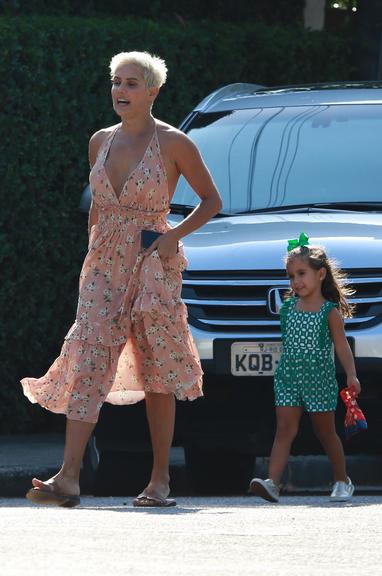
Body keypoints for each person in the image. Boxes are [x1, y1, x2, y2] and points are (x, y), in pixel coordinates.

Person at [21, 51, 222, 508]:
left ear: (153, 91)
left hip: (153, 260)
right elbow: (96, 205)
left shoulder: (174, 143)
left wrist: (175, 235)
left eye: (132, 83)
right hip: (103, 263)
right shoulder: (100, 141)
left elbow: (211, 201)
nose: (121, 91)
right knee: (89, 353)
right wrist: (93, 249)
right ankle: (68, 476)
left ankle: (160, 480)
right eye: (116, 82)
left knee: (157, 367)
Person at [249, 233, 361, 503]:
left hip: (319, 378)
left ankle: (341, 480)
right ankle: (272, 483)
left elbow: (342, 346)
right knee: (285, 428)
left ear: (321, 274)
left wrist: (351, 374)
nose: (295, 281)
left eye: (301, 273)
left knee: (325, 431)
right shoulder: (288, 308)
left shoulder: (329, 312)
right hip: (289, 377)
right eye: (291, 276)